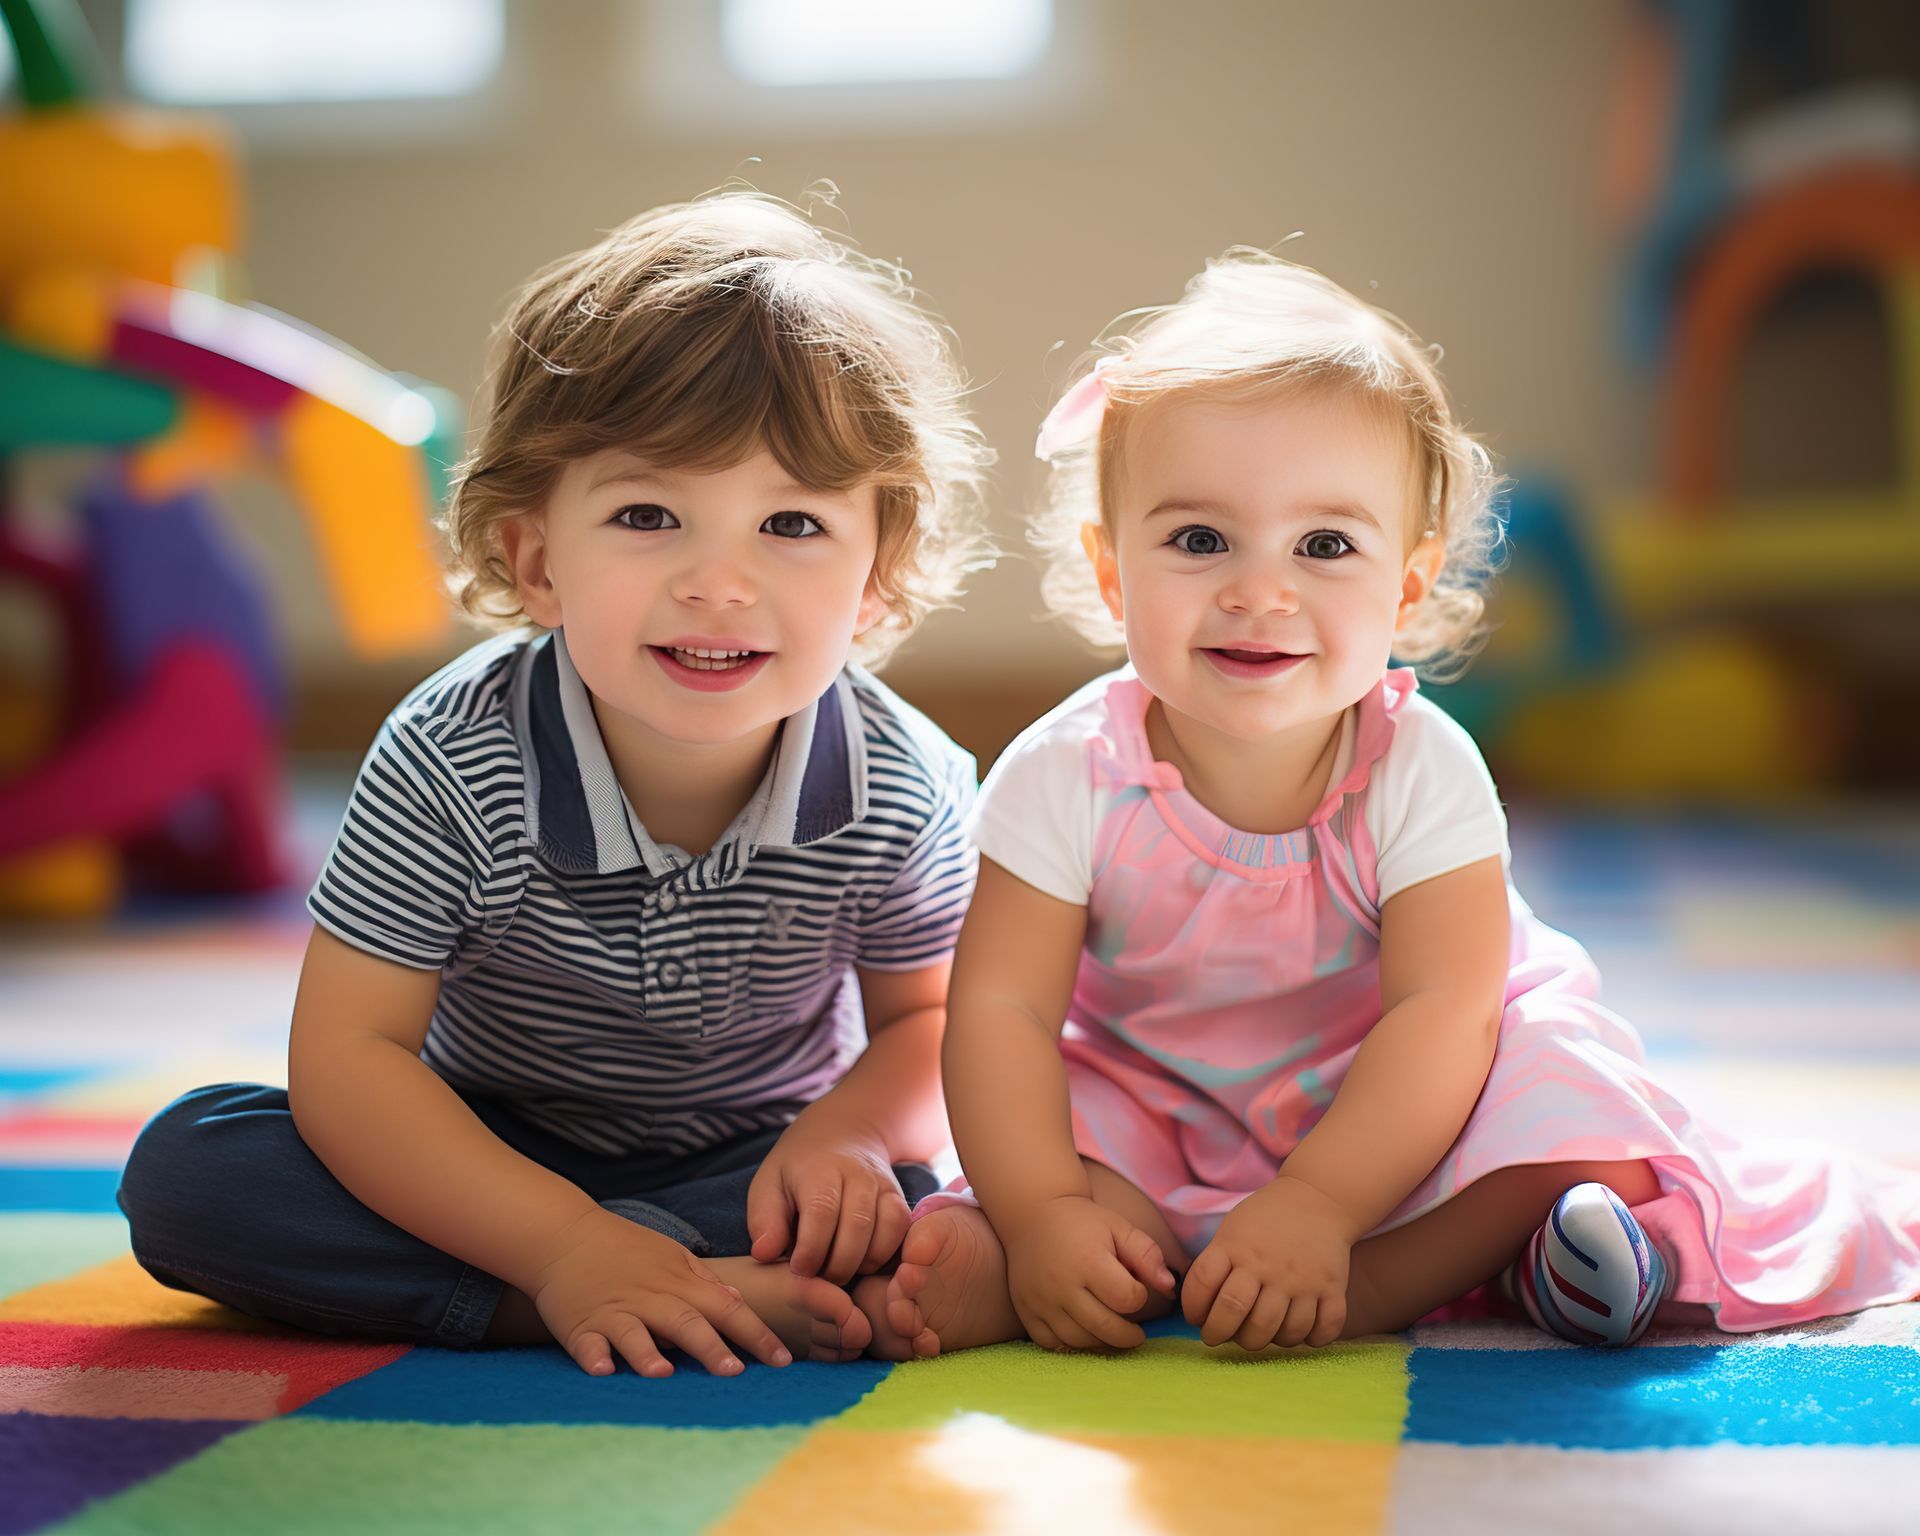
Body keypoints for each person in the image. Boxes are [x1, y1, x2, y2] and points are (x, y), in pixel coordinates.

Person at [870, 249, 1920, 1361]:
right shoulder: (1061, 771)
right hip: (1159, 1097)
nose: (1259, 590)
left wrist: (1321, 1203)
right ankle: (1082, 1263)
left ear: (1408, 585)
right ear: (1114, 567)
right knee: (1044, 1130)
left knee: (1568, 1097)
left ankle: (1414, 1274)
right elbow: (1003, 1014)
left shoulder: (1421, 766)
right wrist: (1044, 1214)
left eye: (1325, 545)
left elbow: (1443, 1014)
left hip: (1409, 1094)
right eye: (1197, 540)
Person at [118, 190, 995, 1379]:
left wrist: (844, 1138)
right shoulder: (452, 759)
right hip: (478, 1157)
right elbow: (351, 1060)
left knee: (952, 1180)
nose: (719, 584)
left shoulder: (901, 780)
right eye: (649, 514)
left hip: (756, 1165)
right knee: (194, 1173)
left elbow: (931, 1024)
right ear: (536, 560)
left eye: (791, 523)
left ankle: (673, 1281)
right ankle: (593, 1294)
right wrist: (560, 1245)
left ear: (878, 577)